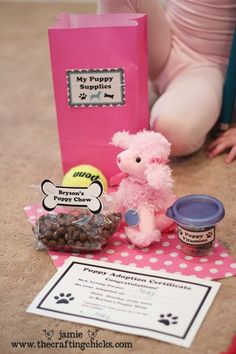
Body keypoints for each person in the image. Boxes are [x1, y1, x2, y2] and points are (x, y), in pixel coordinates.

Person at [97, 0, 236, 157]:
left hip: (207, 66)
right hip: (166, 40)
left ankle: (194, 111)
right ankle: (111, 94)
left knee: (171, 132)